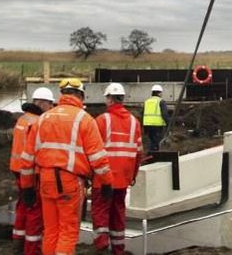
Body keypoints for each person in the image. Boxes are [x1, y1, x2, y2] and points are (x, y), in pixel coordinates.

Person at [18, 78, 115, 255]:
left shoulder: (42, 119)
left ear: (62, 95)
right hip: (70, 182)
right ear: (80, 96)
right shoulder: (84, 119)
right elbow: (98, 158)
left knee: (50, 231)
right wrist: (107, 182)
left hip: (45, 180)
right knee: (68, 232)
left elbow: (26, 159)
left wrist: (27, 187)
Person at [94, 83, 143, 255]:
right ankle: (118, 249)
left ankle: (101, 246)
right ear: (123, 99)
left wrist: (88, 175)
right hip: (123, 179)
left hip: (103, 179)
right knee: (118, 213)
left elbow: (93, 152)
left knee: (101, 211)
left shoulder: (101, 120)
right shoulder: (134, 122)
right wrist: (133, 175)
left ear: (109, 98)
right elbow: (138, 154)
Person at [9, 87, 54, 254]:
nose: (51, 108)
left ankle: (18, 242)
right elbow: (39, 151)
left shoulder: (23, 119)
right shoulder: (37, 122)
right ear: (43, 103)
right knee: (35, 210)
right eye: (50, 105)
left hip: (17, 169)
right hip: (31, 172)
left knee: (23, 206)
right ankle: (32, 249)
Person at [142, 84, 169, 153]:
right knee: (157, 142)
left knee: (152, 141)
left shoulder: (147, 101)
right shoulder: (161, 101)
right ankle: (154, 156)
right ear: (159, 93)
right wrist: (168, 124)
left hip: (147, 125)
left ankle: (151, 155)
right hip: (157, 125)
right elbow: (164, 114)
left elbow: (143, 113)